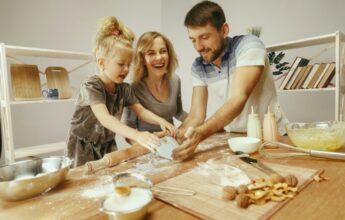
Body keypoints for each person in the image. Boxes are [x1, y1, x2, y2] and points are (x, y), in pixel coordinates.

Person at [172, 1, 288, 160]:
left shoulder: (249, 46)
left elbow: (238, 98)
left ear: (224, 30)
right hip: (234, 138)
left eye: (204, 37)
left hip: (271, 137)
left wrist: (201, 134)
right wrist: (176, 134)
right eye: (193, 40)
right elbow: (196, 116)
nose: (198, 47)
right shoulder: (199, 66)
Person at [67, 16, 176, 167]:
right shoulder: (91, 86)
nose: (126, 69)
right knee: (84, 181)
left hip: (106, 142)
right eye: (120, 64)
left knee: (108, 176)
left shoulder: (124, 89)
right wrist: (137, 135)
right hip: (83, 146)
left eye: (128, 64)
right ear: (101, 62)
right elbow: (105, 119)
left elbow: (141, 111)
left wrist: (161, 121)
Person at [124, 31, 187, 140]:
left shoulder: (175, 80)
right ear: (142, 59)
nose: (159, 57)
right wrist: (144, 147)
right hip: (148, 148)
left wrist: (204, 124)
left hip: (172, 141)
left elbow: (179, 113)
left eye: (163, 51)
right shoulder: (134, 89)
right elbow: (129, 130)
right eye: (151, 53)